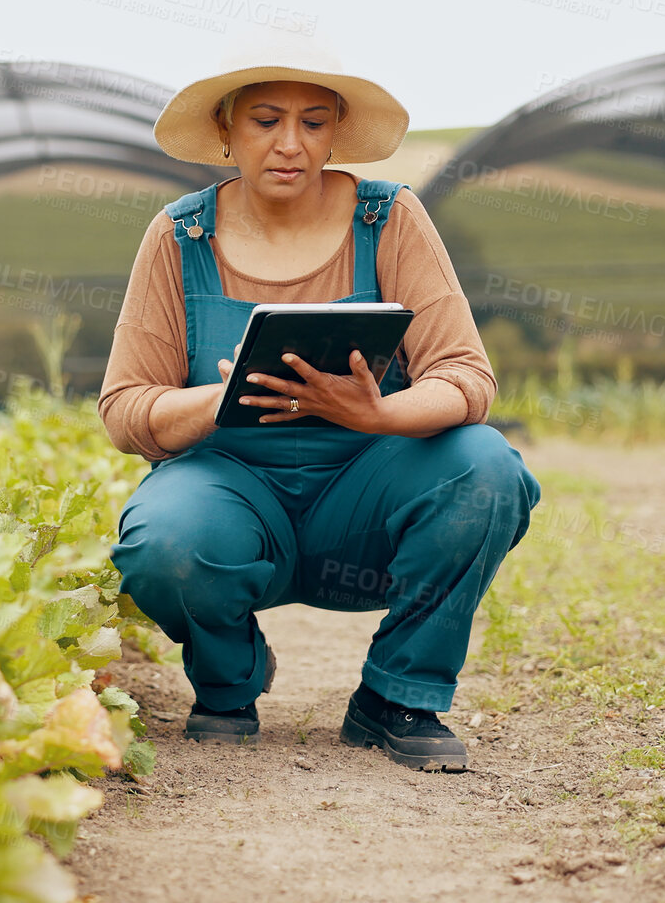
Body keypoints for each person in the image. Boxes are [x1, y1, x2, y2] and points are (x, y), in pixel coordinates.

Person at [99, 38, 540, 772]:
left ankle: (397, 695)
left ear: (334, 132)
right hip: (230, 489)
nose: (289, 144)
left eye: (312, 122)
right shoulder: (180, 235)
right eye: (266, 120)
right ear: (226, 131)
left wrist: (377, 415)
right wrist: (224, 395)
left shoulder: (389, 217)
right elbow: (124, 408)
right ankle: (228, 678)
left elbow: (465, 377)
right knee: (162, 536)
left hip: (365, 493)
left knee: (485, 467)